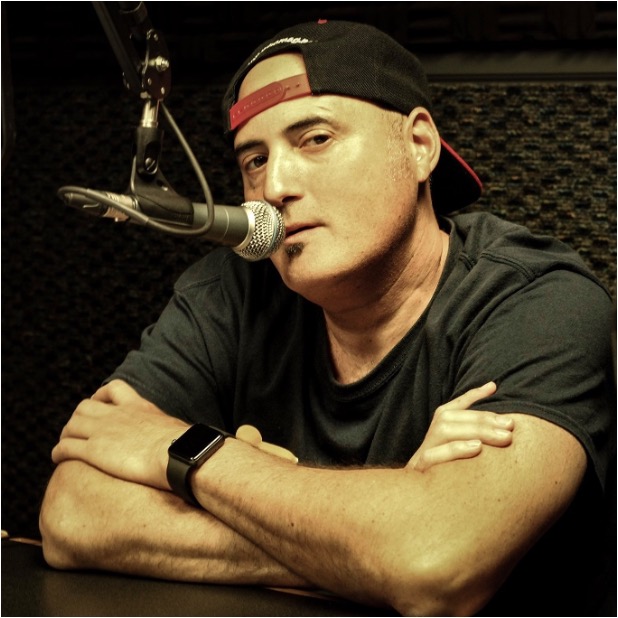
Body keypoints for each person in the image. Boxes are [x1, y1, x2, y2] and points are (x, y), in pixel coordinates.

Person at [39, 20, 614, 616]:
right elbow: (70, 512)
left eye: (315, 139)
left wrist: (185, 450)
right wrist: (374, 540)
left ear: (419, 146)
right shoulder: (230, 289)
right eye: (254, 159)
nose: (275, 185)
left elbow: (434, 563)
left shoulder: (539, 299)